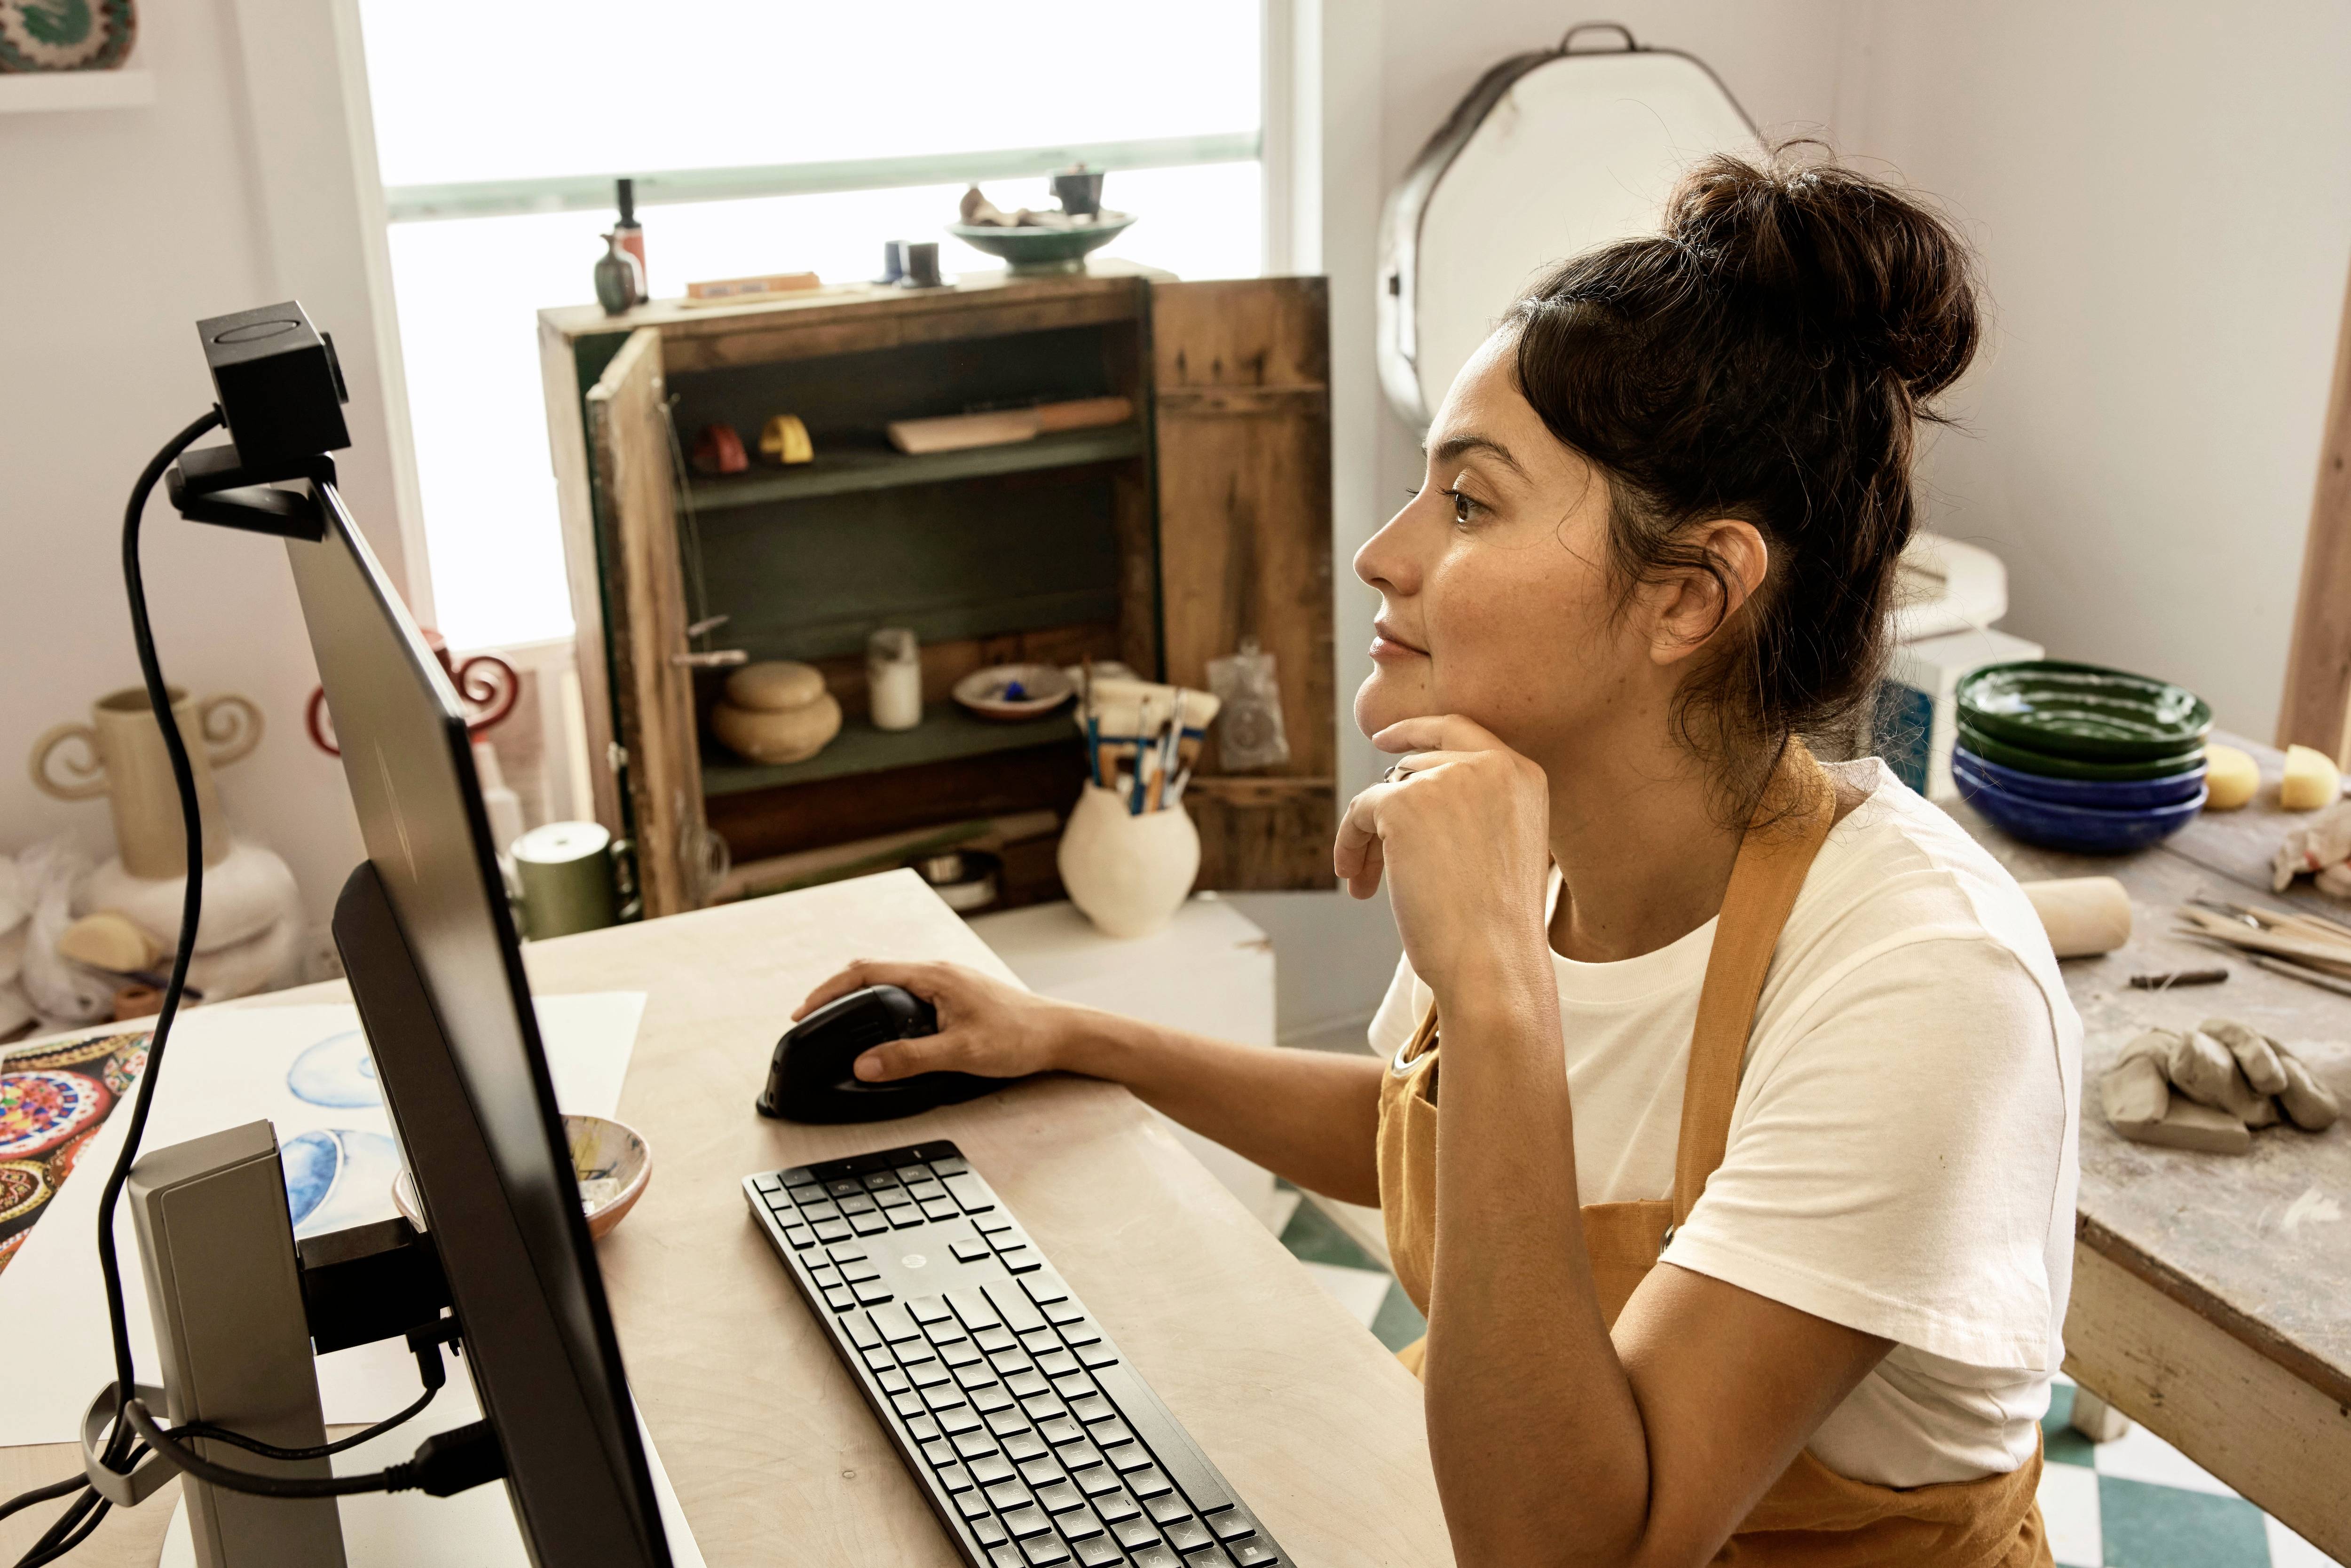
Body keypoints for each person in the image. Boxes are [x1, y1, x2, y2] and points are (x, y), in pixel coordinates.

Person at [796, 149, 2080, 1568]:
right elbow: (1411, 1142)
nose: (1381, 555)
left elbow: (1578, 1554)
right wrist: (1075, 1038)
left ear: (1686, 596)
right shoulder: (1532, 838)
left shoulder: (1922, 982)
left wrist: (1494, 989)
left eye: (1468, 504)